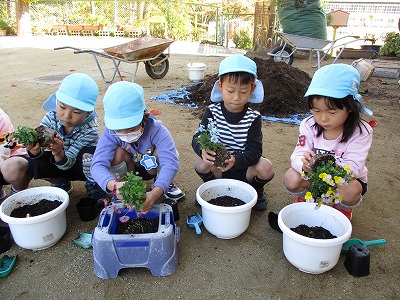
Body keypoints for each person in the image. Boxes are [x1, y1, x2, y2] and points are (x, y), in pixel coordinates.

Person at [278, 64, 373, 223]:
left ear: (350, 107)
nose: (323, 118)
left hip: (344, 178)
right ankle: (307, 198)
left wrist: (331, 169)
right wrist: (303, 164)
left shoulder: (361, 131)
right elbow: (298, 154)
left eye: (332, 112)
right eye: (316, 111)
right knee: (291, 178)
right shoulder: (308, 125)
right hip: (315, 175)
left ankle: (343, 209)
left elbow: (354, 167)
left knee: (350, 191)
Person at [192, 54, 275, 211]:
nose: (236, 97)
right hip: (219, 168)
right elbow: (198, 137)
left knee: (266, 167)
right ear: (220, 86)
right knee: (200, 163)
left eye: (243, 91)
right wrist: (202, 149)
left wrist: (236, 160)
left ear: (252, 88)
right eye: (230, 90)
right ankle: (211, 188)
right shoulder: (212, 112)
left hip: (245, 168)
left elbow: (255, 150)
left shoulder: (253, 118)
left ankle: (256, 190)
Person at [90, 81, 184, 214]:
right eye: (119, 130)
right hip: (130, 168)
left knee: (170, 153)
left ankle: (162, 182)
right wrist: (115, 186)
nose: (125, 134)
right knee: (116, 153)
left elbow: (170, 163)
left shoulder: (157, 130)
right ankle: (125, 186)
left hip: (150, 168)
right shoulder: (110, 133)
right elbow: (97, 165)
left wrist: (155, 193)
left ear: (145, 117)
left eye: (132, 128)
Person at [10, 73, 106, 200]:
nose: (67, 116)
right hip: (57, 162)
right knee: (34, 160)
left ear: (89, 113)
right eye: (62, 107)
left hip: (78, 167)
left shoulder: (90, 130)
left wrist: (59, 153)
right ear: (56, 101)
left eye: (76, 112)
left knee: (90, 155)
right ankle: (59, 181)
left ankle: (93, 184)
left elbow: (69, 162)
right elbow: (39, 150)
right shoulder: (51, 118)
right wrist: (35, 149)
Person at [0, 108, 29, 202]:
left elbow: (3, 152)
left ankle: (17, 195)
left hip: (9, 160)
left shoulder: (1, 118)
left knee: (12, 166)